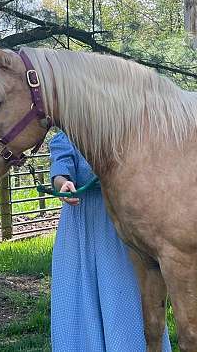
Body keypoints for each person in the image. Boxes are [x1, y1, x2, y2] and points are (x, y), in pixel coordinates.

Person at [49, 130, 171, 352]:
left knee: (121, 285)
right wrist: (63, 184)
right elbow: (60, 169)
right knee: (79, 287)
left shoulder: (119, 129)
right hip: (80, 224)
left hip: (118, 221)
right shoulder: (67, 135)